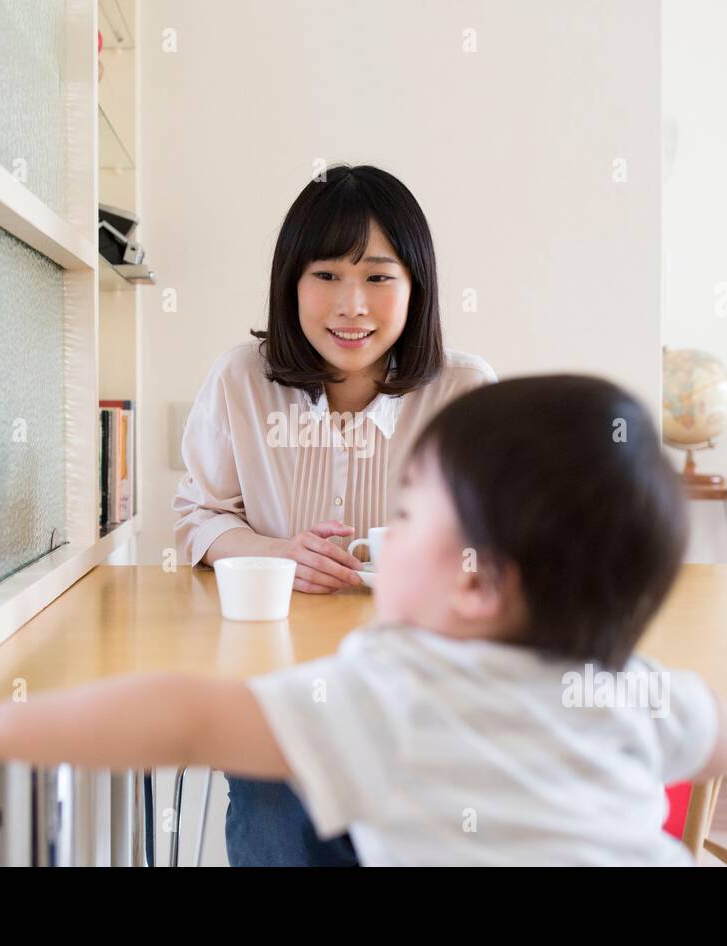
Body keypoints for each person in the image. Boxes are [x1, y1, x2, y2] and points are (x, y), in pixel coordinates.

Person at [0, 374, 727, 866]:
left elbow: (183, 717)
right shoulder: (626, 688)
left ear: (476, 585)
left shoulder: (392, 694)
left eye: (408, 514)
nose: (380, 536)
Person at [173, 164, 496, 864]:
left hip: (423, 687)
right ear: (292, 283)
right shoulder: (241, 380)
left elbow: (505, 545)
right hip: (278, 685)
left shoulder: (465, 390)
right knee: (271, 794)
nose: (352, 305)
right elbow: (198, 514)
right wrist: (271, 552)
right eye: (326, 275)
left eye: (379, 277)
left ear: (417, 287)